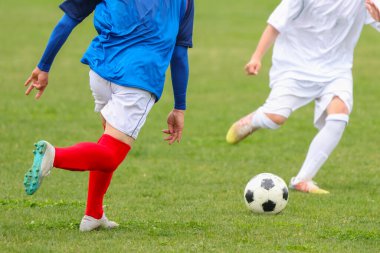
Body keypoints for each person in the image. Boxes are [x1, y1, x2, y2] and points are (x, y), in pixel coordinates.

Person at [23, 0, 194, 232]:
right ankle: (53, 156)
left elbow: (70, 19)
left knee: (106, 141)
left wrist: (44, 66)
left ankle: (93, 214)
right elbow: (179, 52)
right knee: (111, 154)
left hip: (101, 70)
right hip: (138, 78)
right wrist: (180, 107)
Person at [226, 0, 380, 194]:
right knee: (276, 118)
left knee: (339, 114)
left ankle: (303, 179)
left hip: (336, 69)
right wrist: (256, 57)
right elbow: (275, 24)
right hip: (294, 66)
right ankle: (253, 120)